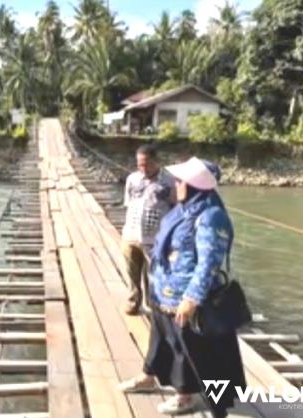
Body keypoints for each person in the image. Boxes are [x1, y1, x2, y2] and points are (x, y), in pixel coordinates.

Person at [118, 157, 246, 417]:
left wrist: (191, 298)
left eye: (180, 181)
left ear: (193, 185)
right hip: (163, 292)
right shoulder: (182, 210)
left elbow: (209, 262)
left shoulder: (211, 216)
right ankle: (148, 376)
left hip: (185, 298)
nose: (175, 184)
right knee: (162, 343)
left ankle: (191, 397)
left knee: (196, 353)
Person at [121, 145, 175, 315]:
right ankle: (133, 301)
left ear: (157, 161)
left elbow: (176, 208)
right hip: (131, 234)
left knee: (154, 274)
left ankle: (154, 306)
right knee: (132, 272)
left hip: (155, 239)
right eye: (139, 164)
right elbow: (128, 204)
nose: (143, 168)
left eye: (147, 164)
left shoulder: (170, 180)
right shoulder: (132, 179)